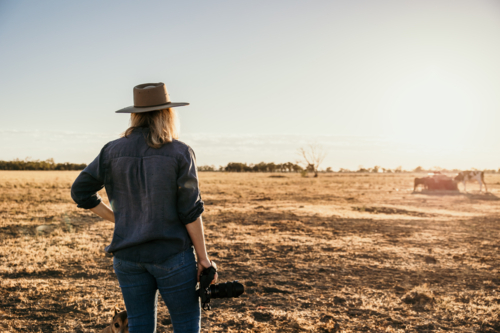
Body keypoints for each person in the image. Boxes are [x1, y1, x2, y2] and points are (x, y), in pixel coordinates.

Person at [71, 82, 216, 333]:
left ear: (135, 115)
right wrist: (203, 259)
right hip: (172, 256)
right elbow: (190, 211)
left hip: (127, 258)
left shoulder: (111, 150)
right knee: (185, 325)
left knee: (138, 327)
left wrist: (119, 218)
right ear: (168, 113)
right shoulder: (180, 152)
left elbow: (80, 191)